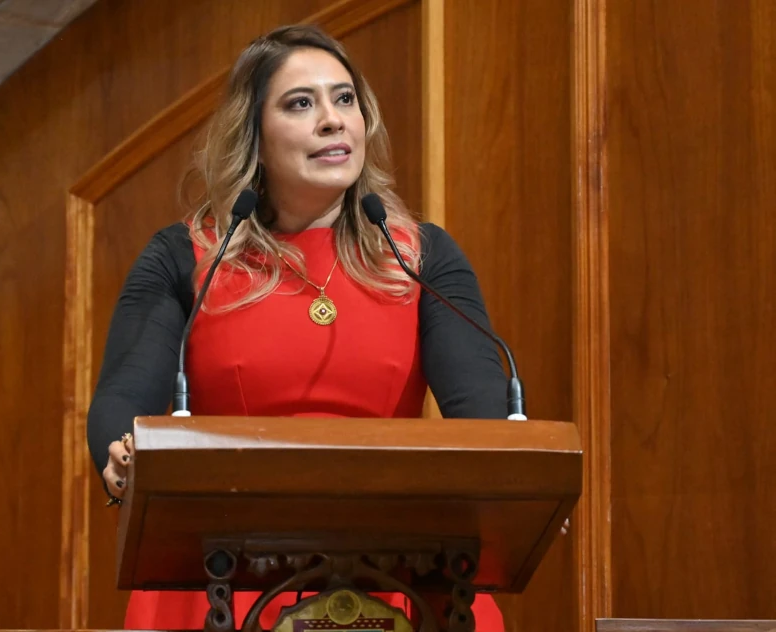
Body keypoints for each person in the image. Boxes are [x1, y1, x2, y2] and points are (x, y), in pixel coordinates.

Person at [87, 24, 509, 631]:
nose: (333, 120)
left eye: (345, 99)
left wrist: (523, 481)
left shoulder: (421, 256)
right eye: (301, 104)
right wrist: (119, 452)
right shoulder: (190, 256)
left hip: (404, 577)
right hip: (221, 577)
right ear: (254, 137)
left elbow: (485, 422)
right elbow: (124, 399)